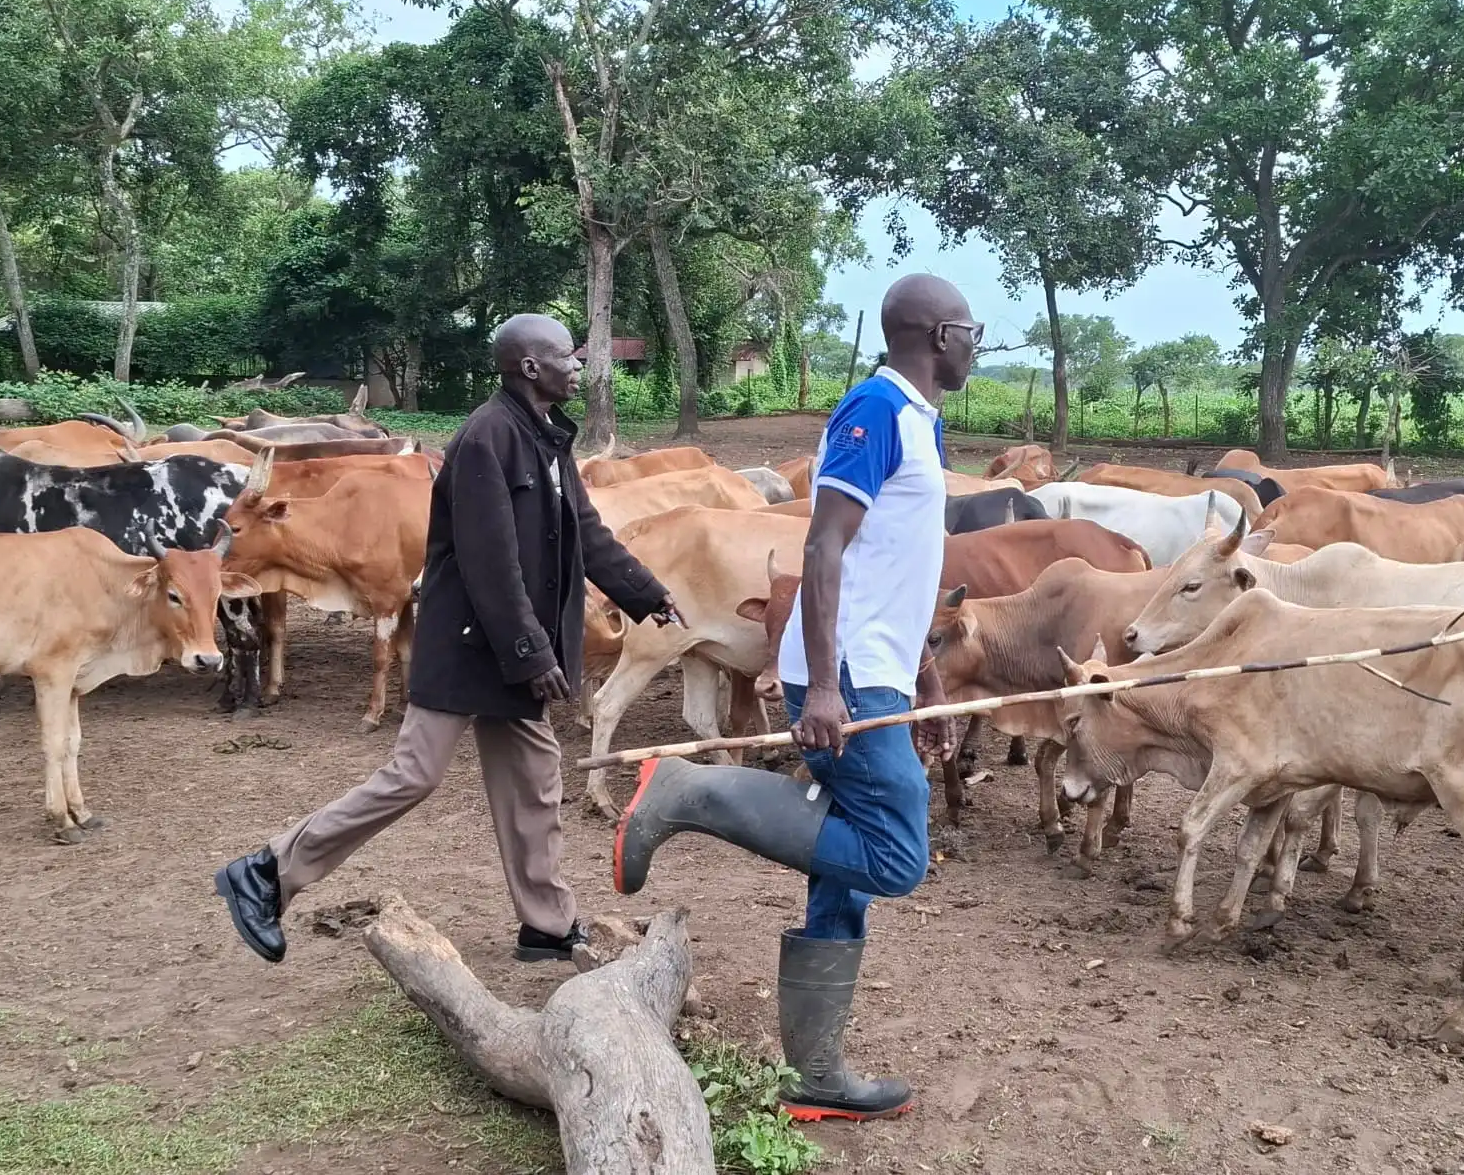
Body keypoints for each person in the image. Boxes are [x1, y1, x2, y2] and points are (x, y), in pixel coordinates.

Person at [612, 273, 977, 1122]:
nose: (977, 342)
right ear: (934, 334)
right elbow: (823, 550)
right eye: (971, 328)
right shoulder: (874, 413)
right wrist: (817, 685)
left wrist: (922, 665)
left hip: (879, 666)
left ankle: (817, 1076)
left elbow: (899, 561)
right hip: (843, 673)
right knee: (894, 858)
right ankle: (686, 790)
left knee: (840, 872)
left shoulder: (924, 422)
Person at [215, 313, 681, 964]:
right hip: (469, 646)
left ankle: (546, 925)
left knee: (535, 777)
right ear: (528, 367)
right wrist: (532, 652)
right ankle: (266, 872)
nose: (576, 364)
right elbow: (491, 563)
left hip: (507, 649)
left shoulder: (547, 438)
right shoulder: (485, 439)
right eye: (564, 355)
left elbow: (584, 529)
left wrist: (644, 592)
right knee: (414, 774)